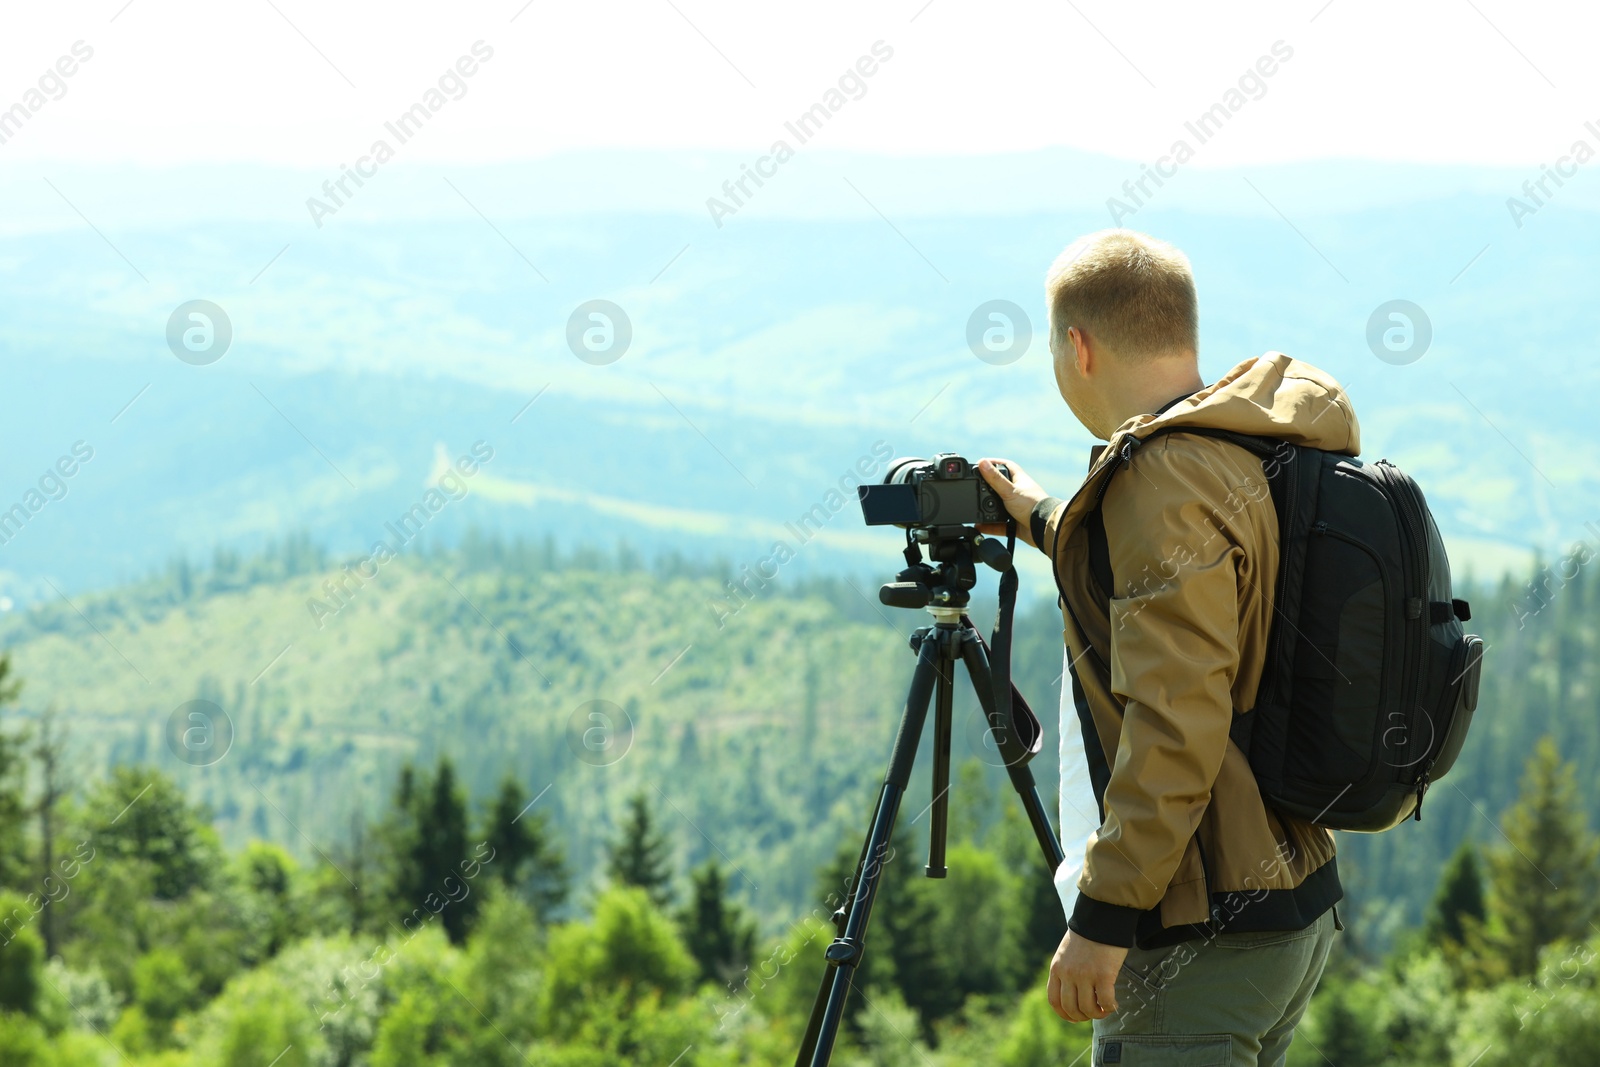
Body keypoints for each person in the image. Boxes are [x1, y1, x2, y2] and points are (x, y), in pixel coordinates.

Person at [977, 229, 1353, 1066]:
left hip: (1198, 931)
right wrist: (1043, 517)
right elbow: (1200, 591)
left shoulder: (1157, 479)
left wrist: (1103, 918)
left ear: (1078, 346)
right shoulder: (1240, 444)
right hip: (1282, 904)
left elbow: (1176, 722)